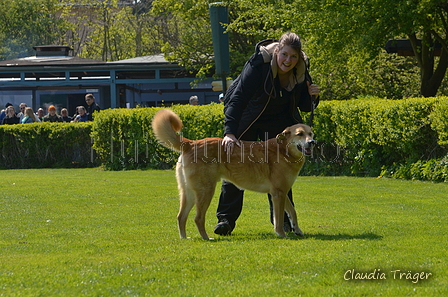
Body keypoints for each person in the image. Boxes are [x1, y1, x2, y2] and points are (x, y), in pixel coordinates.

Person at [214, 32, 320, 236]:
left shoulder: (301, 69)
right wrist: (230, 132)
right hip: (250, 114)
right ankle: (226, 220)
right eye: (285, 55)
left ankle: (284, 222)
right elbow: (237, 99)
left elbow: (305, 106)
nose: (288, 61)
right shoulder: (258, 64)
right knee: (236, 163)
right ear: (277, 52)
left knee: (283, 171)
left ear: (299, 58)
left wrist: (314, 95)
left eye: (294, 57)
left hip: (279, 119)